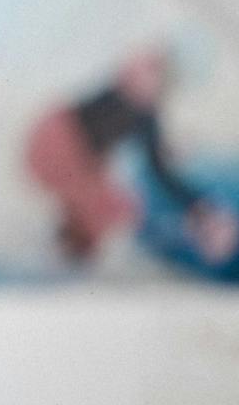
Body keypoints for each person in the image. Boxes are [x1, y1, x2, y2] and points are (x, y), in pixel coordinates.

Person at [25, 44, 239, 268]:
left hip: (55, 137)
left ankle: (198, 219)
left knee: (121, 200)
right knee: (128, 199)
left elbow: (144, 163)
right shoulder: (139, 105)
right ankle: (198, 221)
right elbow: (154, 171)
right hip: (61, 143)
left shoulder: (125, 93)